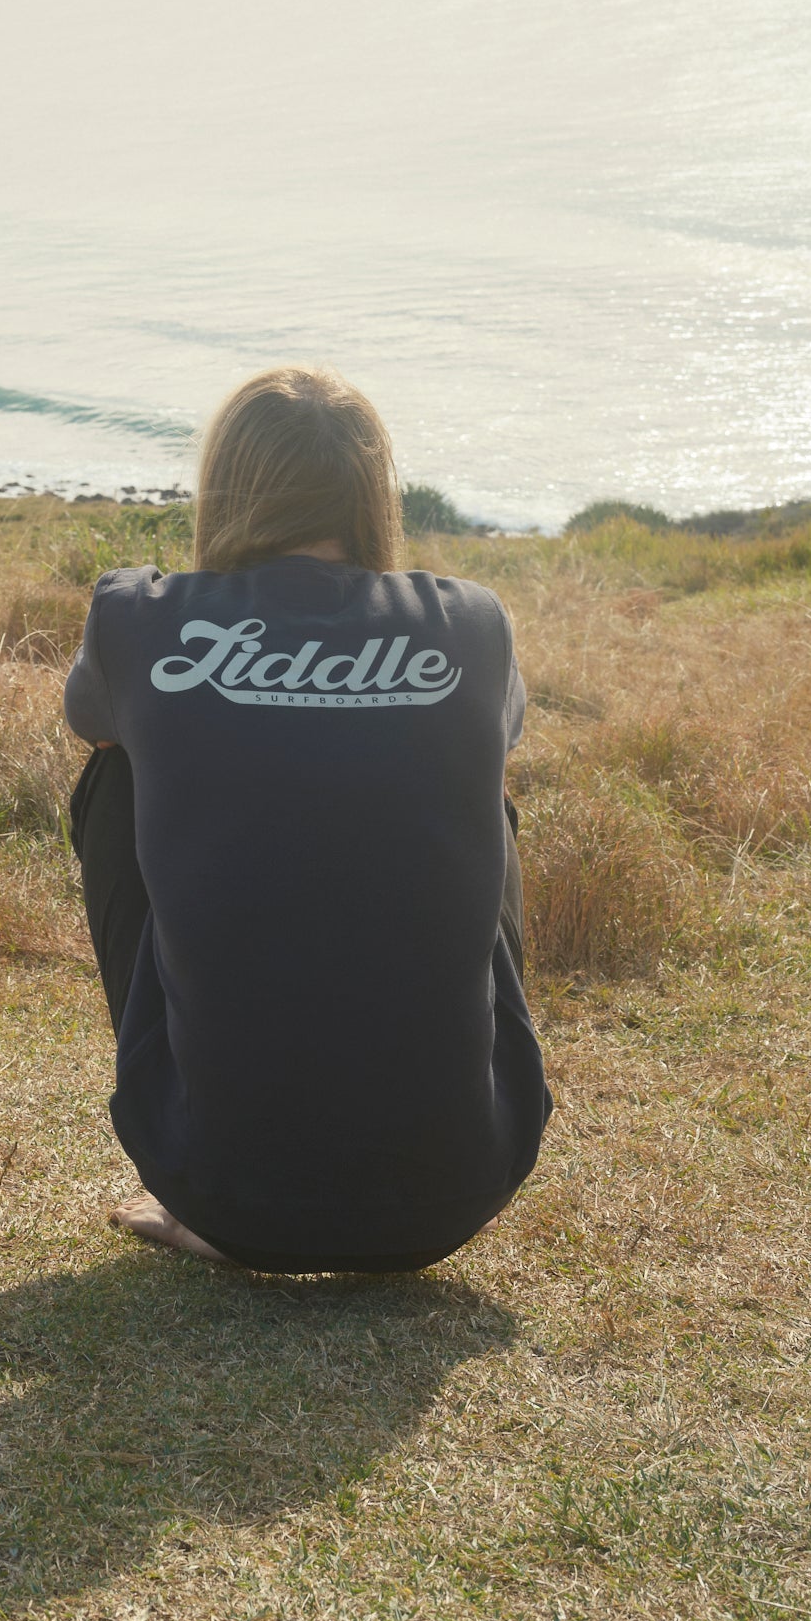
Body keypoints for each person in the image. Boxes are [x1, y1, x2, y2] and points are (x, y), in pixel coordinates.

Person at [65, 365, 550, 1274]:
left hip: (219, 1192)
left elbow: (89, 719)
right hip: (456, 1188)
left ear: (228, 485)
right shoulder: (471, 624)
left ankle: (212, 1116)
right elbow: (506, 729)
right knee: (478, 783)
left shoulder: (141, 616)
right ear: (372, 491)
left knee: (118, 771)